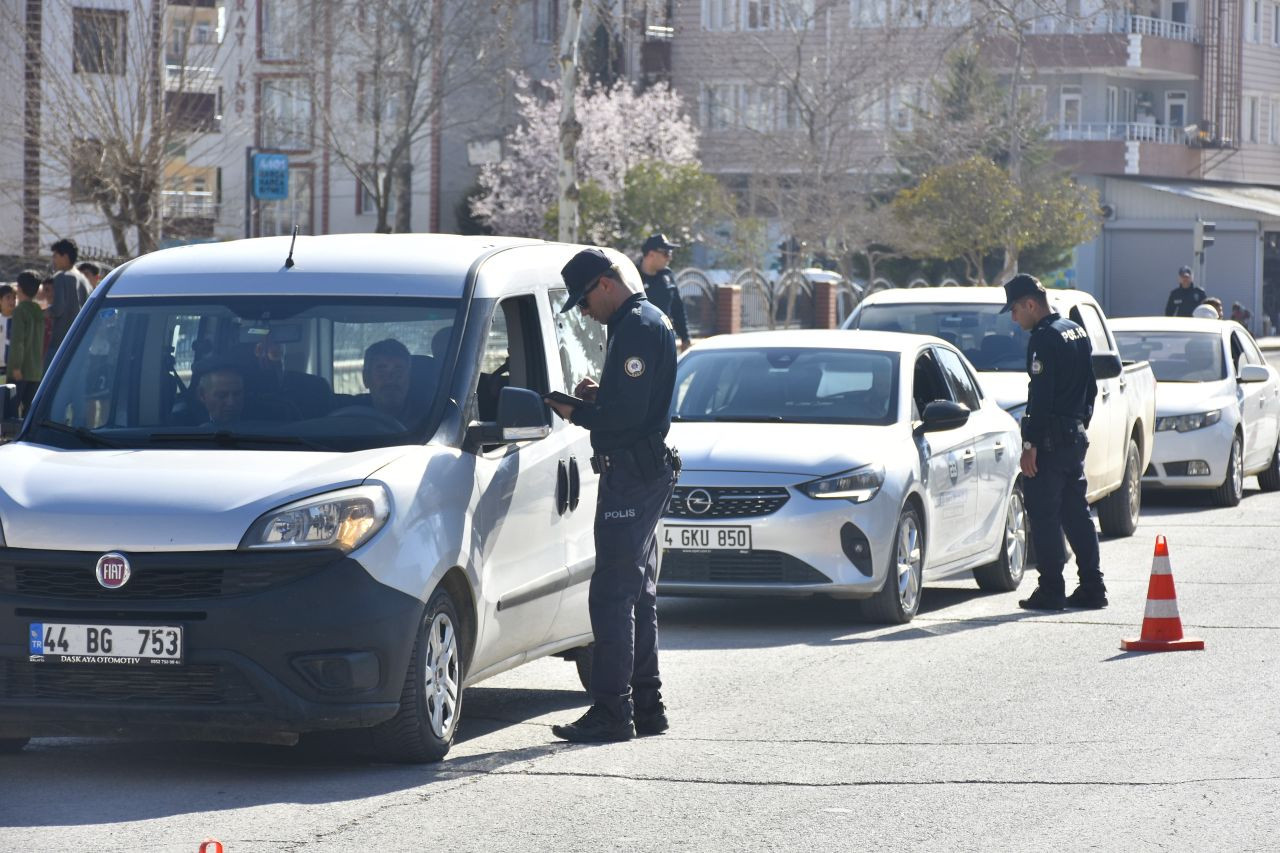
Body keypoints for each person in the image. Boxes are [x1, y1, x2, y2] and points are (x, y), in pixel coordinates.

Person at [546, 248, 680, 743]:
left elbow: (626, 422)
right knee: (638, 594)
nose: (584, 312)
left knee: (611, 595)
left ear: (605, 284)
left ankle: (611, 710)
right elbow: (633, 404)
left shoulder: (638, 326)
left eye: (584, 300)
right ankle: (646, 705)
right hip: (640, 471)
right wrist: (599, 396)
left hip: (632, 474)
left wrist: (573, 409)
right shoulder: (640, 322)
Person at [1001, 274, 1107, 611]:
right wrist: (1078, 423)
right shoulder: (1075, 330)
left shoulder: (1044, 339)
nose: (1015, 319)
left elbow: (1041, 396)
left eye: (1015, 310)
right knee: (1076, 513)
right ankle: (1092, 586)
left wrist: (1031, 443)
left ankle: (1051, 589)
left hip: (1049, 442)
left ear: (1030, 304)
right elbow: (1090, 386)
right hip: (1073, 437)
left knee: (1045, 515)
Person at [637, 233, 692, 352]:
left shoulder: (667, 276)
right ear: (651, 254)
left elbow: (677, 309)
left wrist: (685, 338)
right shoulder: (633, 277)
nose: (669, 258)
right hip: (639, 342)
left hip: (664, 341)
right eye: (666, 254)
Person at [47, 238, 92, 366]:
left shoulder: (62, 277)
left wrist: (43, 313)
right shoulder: (83, 279)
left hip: (60, 342)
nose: (53, 260)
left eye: (55, 256)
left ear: (65, 257)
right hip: (80, 341)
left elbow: (58, 309)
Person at [7, 271, 46, 418]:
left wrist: (16, 366)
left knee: (10, 411)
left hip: (21, 369)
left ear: (19, 288)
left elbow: (18, 341)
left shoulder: (20, 311)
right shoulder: (37, 310)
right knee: (29, 411)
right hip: (35, 370)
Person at [358, 338, 413, 422]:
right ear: (366, 378)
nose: (390, 378)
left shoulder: (431, 418)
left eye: (398, 369)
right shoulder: (349, 415)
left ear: (409, 377)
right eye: (381, 370)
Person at [193, 361, 246, 426]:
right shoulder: (184, 428)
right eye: (222, 395)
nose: (231, 402)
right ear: (202, 395)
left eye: (237, 394)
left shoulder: (259, 421)